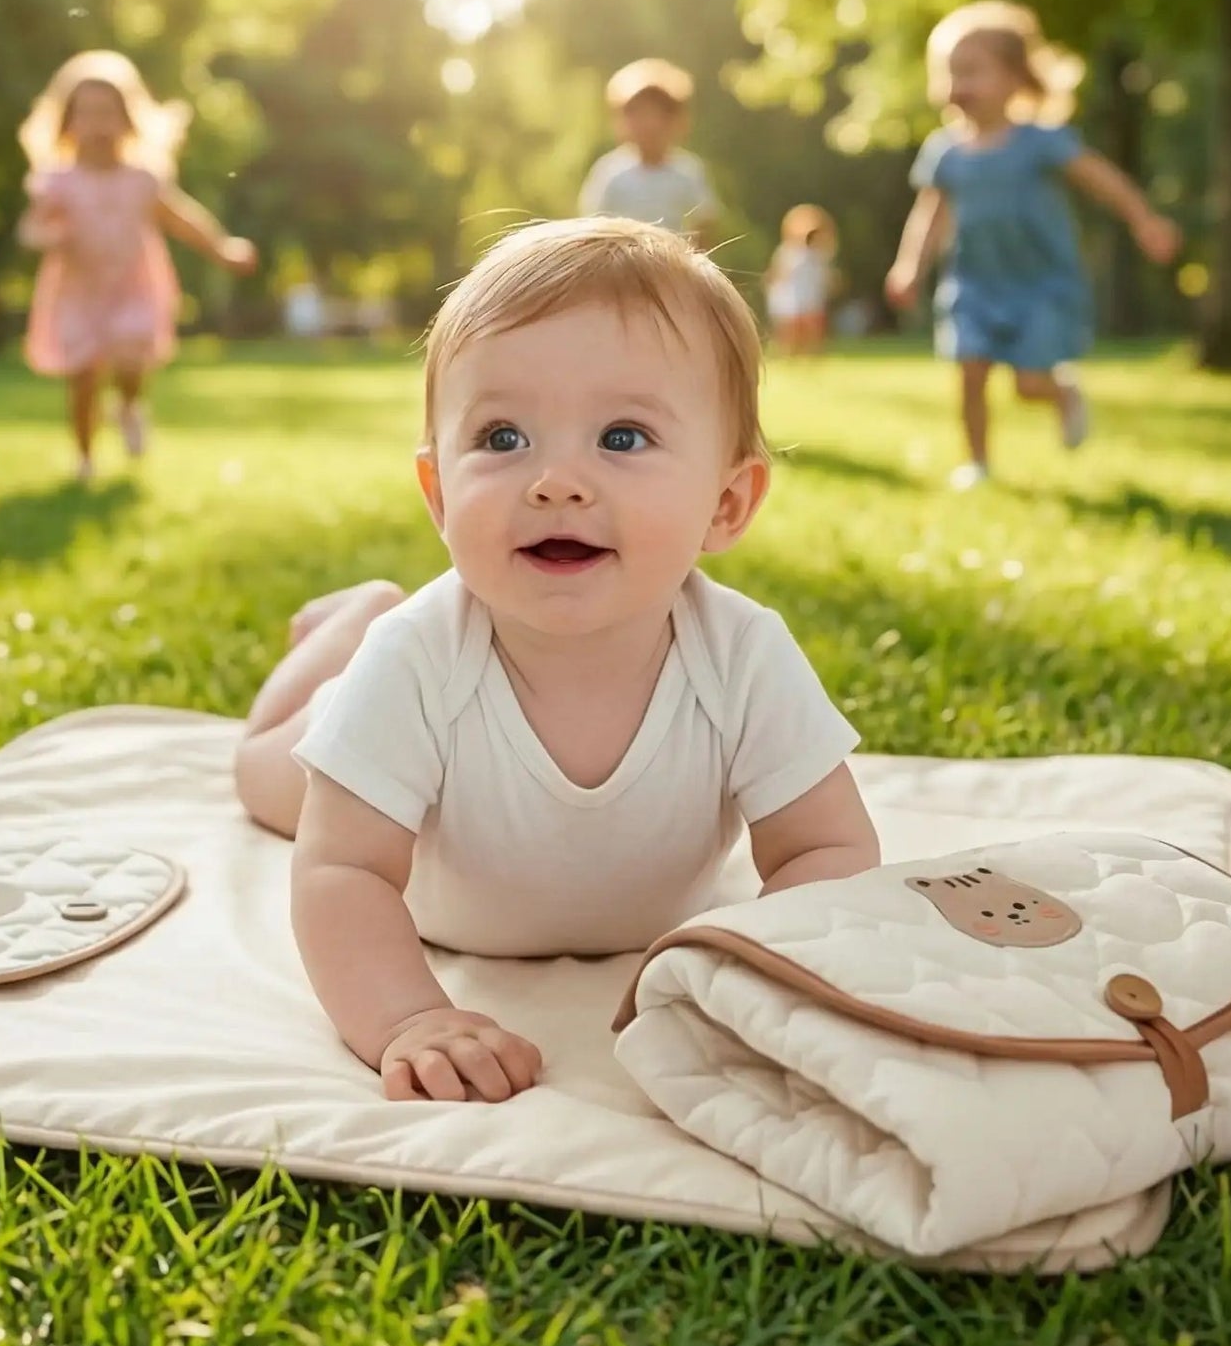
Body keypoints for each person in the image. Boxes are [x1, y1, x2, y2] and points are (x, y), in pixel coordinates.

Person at [235, 217, 880, 1105]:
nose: (556, 482)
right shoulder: (419, 660)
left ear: (726, 503)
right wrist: (408, 1017)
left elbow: (829, 848)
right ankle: (353, 618)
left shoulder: (743, 658)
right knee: (264, 779)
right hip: (375, 726)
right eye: (502, 439)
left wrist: (773, 979)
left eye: (622, 438)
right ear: (438, 494)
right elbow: (341, 871)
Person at [884, 0, 1181, 490]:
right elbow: (930, 214)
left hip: (1040, 284)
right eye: (950, 72)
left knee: (1028, 384)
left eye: (973, 71)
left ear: (1015, 77)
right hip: (974, 283)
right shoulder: (944, 152)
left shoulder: (1039, 143)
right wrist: (909, 268)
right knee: (970, 370)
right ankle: (977, 462)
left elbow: (1100, 179)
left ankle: (1060, 395)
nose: (959, 85)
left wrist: (1144, 219)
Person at [16, 52, 255, 479]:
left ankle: (127, 405)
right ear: (67, 123)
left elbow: (182, 219)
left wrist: (221, 248)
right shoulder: (57, 181)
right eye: (86, 114)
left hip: (133, 286)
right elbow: (29, 230)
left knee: (130, 360)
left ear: (128, 119)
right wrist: (49, 236)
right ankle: (85, 458)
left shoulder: (143, 178)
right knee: (83, 379)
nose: (98, 125)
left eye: (108, 113)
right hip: (77, 293)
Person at [578, 59, 718, 247]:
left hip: (671, 267)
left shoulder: (688, 171)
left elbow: (705, 224)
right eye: (638, 114)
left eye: (658, 114)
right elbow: (591, 227)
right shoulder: (610, 172)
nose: (649, 124)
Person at [765, 205, 838, 356]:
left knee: (813, 329)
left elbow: (824, 275)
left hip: (811, 297)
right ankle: (790, 354)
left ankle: (811, 356)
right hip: (793, 297)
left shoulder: (819, 254)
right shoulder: (788, 252)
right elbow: (777, 275)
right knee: (792, 332)